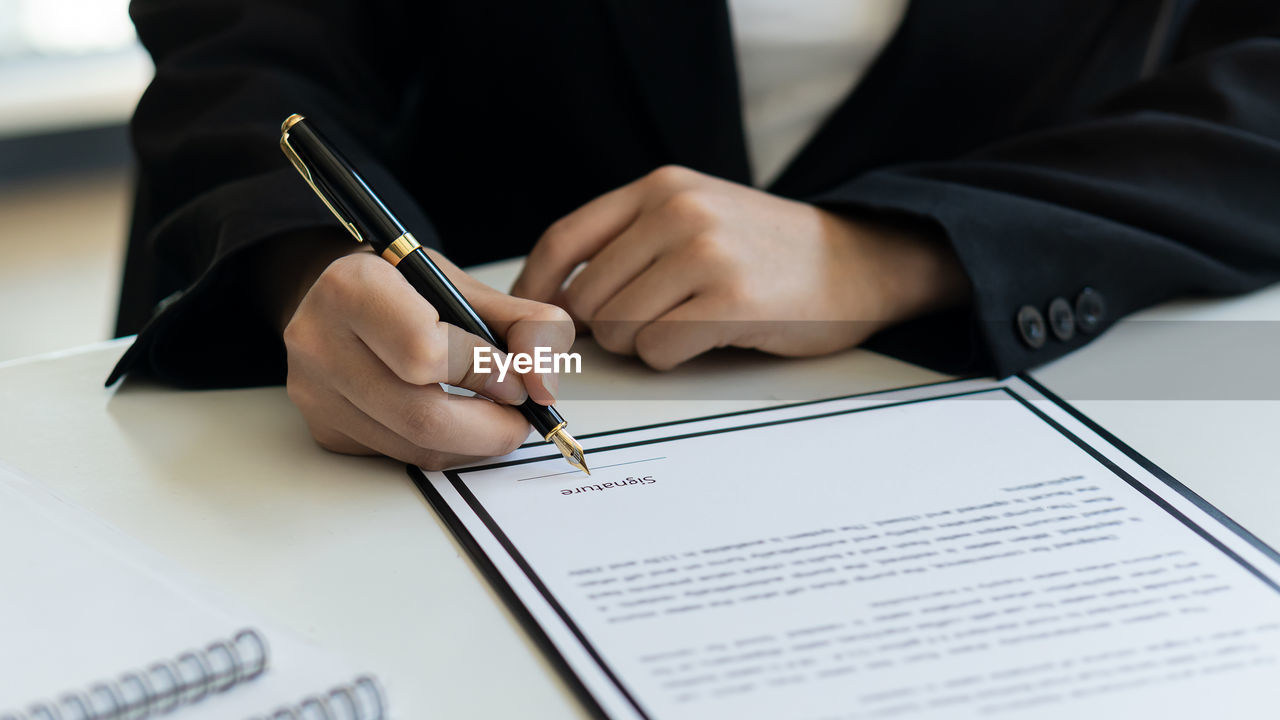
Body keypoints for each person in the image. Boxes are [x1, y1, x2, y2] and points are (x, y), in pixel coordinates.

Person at [111, 0, 1280, 470]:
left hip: (975, 396)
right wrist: (301, 262)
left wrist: (893, 247)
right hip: (449, 364)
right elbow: (246, 42)